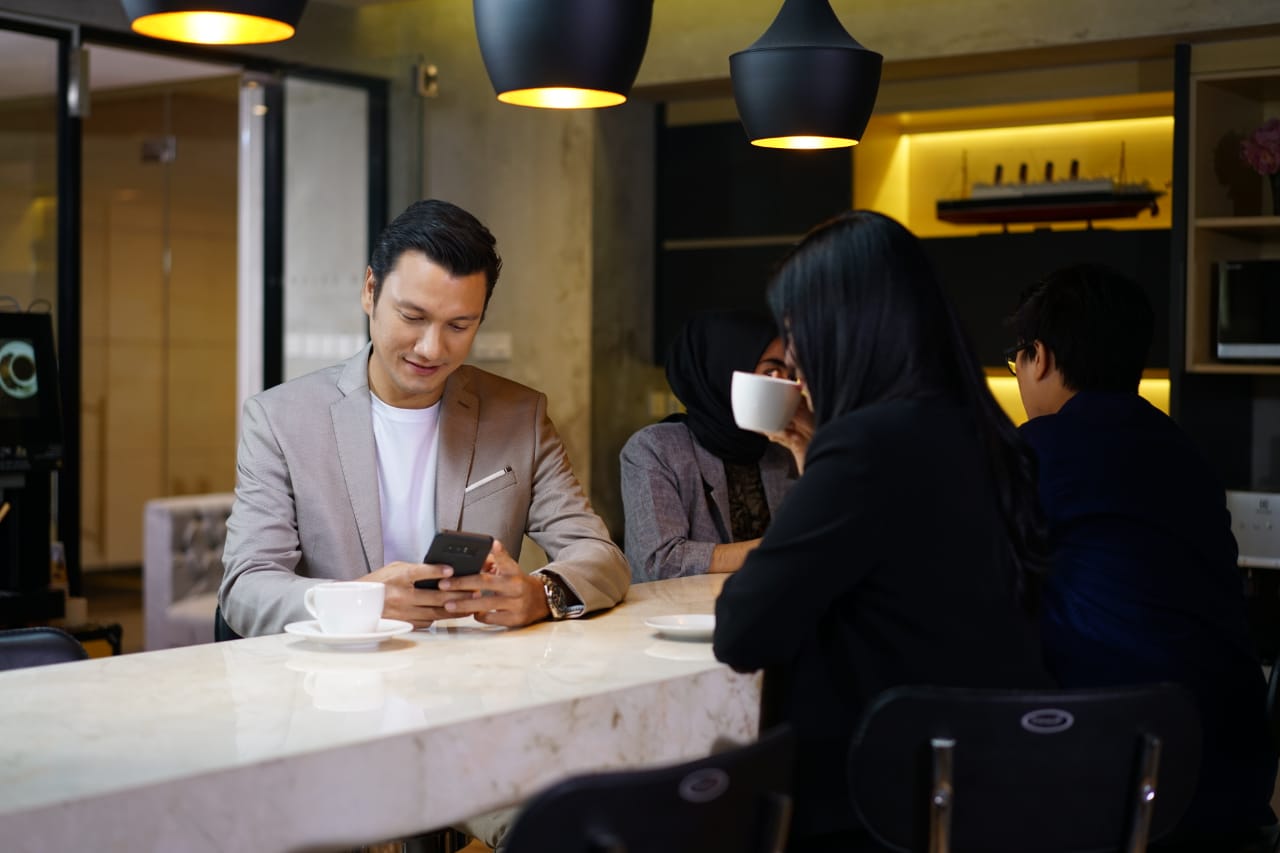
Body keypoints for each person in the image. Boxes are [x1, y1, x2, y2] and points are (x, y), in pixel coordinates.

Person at [713, 210, 1053, 851]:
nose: (793, 359)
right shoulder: (985, 432)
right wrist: (815, 459)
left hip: (877, 801)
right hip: (985, 787)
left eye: (796, 332)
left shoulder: (866, 446)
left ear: (842, 328)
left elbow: (743, 629)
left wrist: (821, 460)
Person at [219, 199, 630, 638]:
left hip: (473, 672)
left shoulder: (519, 417)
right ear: (370, 290)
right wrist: (362, 602)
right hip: (338, 673)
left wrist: (540, 594)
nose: (432, 349)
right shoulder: (281, 421)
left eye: (459, 326)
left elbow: (601, 556)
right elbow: (246, 588)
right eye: (413, 317)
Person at [1008, 264, 1277, 846]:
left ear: (1041, 357)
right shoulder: (1184, 453)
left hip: (1128, 782)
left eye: (1018, 361)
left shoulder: (1036, 451)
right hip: (1233, 775)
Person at [620, 309, 805, 582]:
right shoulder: (655, 450)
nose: (784, 385)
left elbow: (830, 536)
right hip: (689, 608)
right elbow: (661, 561)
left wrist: (807, 445)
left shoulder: (784, 450)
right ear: (725, 369)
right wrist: (780, 547)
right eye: (771, 371)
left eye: (789, 375)